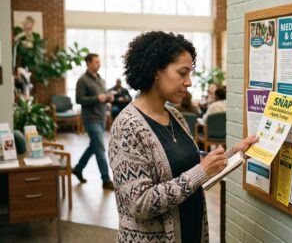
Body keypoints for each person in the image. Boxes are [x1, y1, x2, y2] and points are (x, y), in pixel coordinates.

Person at [108, 31, 258, 242]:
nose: (188, 82)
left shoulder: (175, 116)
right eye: (182, 73)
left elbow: (194, 164)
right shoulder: (127, 127)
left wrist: (237, 152)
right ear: (155, 71)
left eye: (190, 74)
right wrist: (200, 171)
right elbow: (139, 204)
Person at [72, 53, 115, 190]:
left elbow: (103, 95)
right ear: (88, 63)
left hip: (101, 118)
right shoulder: (82, 80)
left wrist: (108, 98)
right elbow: (79, 100)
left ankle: (78, 168)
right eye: (96, 62)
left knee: (94, 146)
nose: (99, 64)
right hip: (90, 119)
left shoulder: (100, 79)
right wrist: (97, 98)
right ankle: (106, 180)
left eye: (99, 61)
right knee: (100, 148)